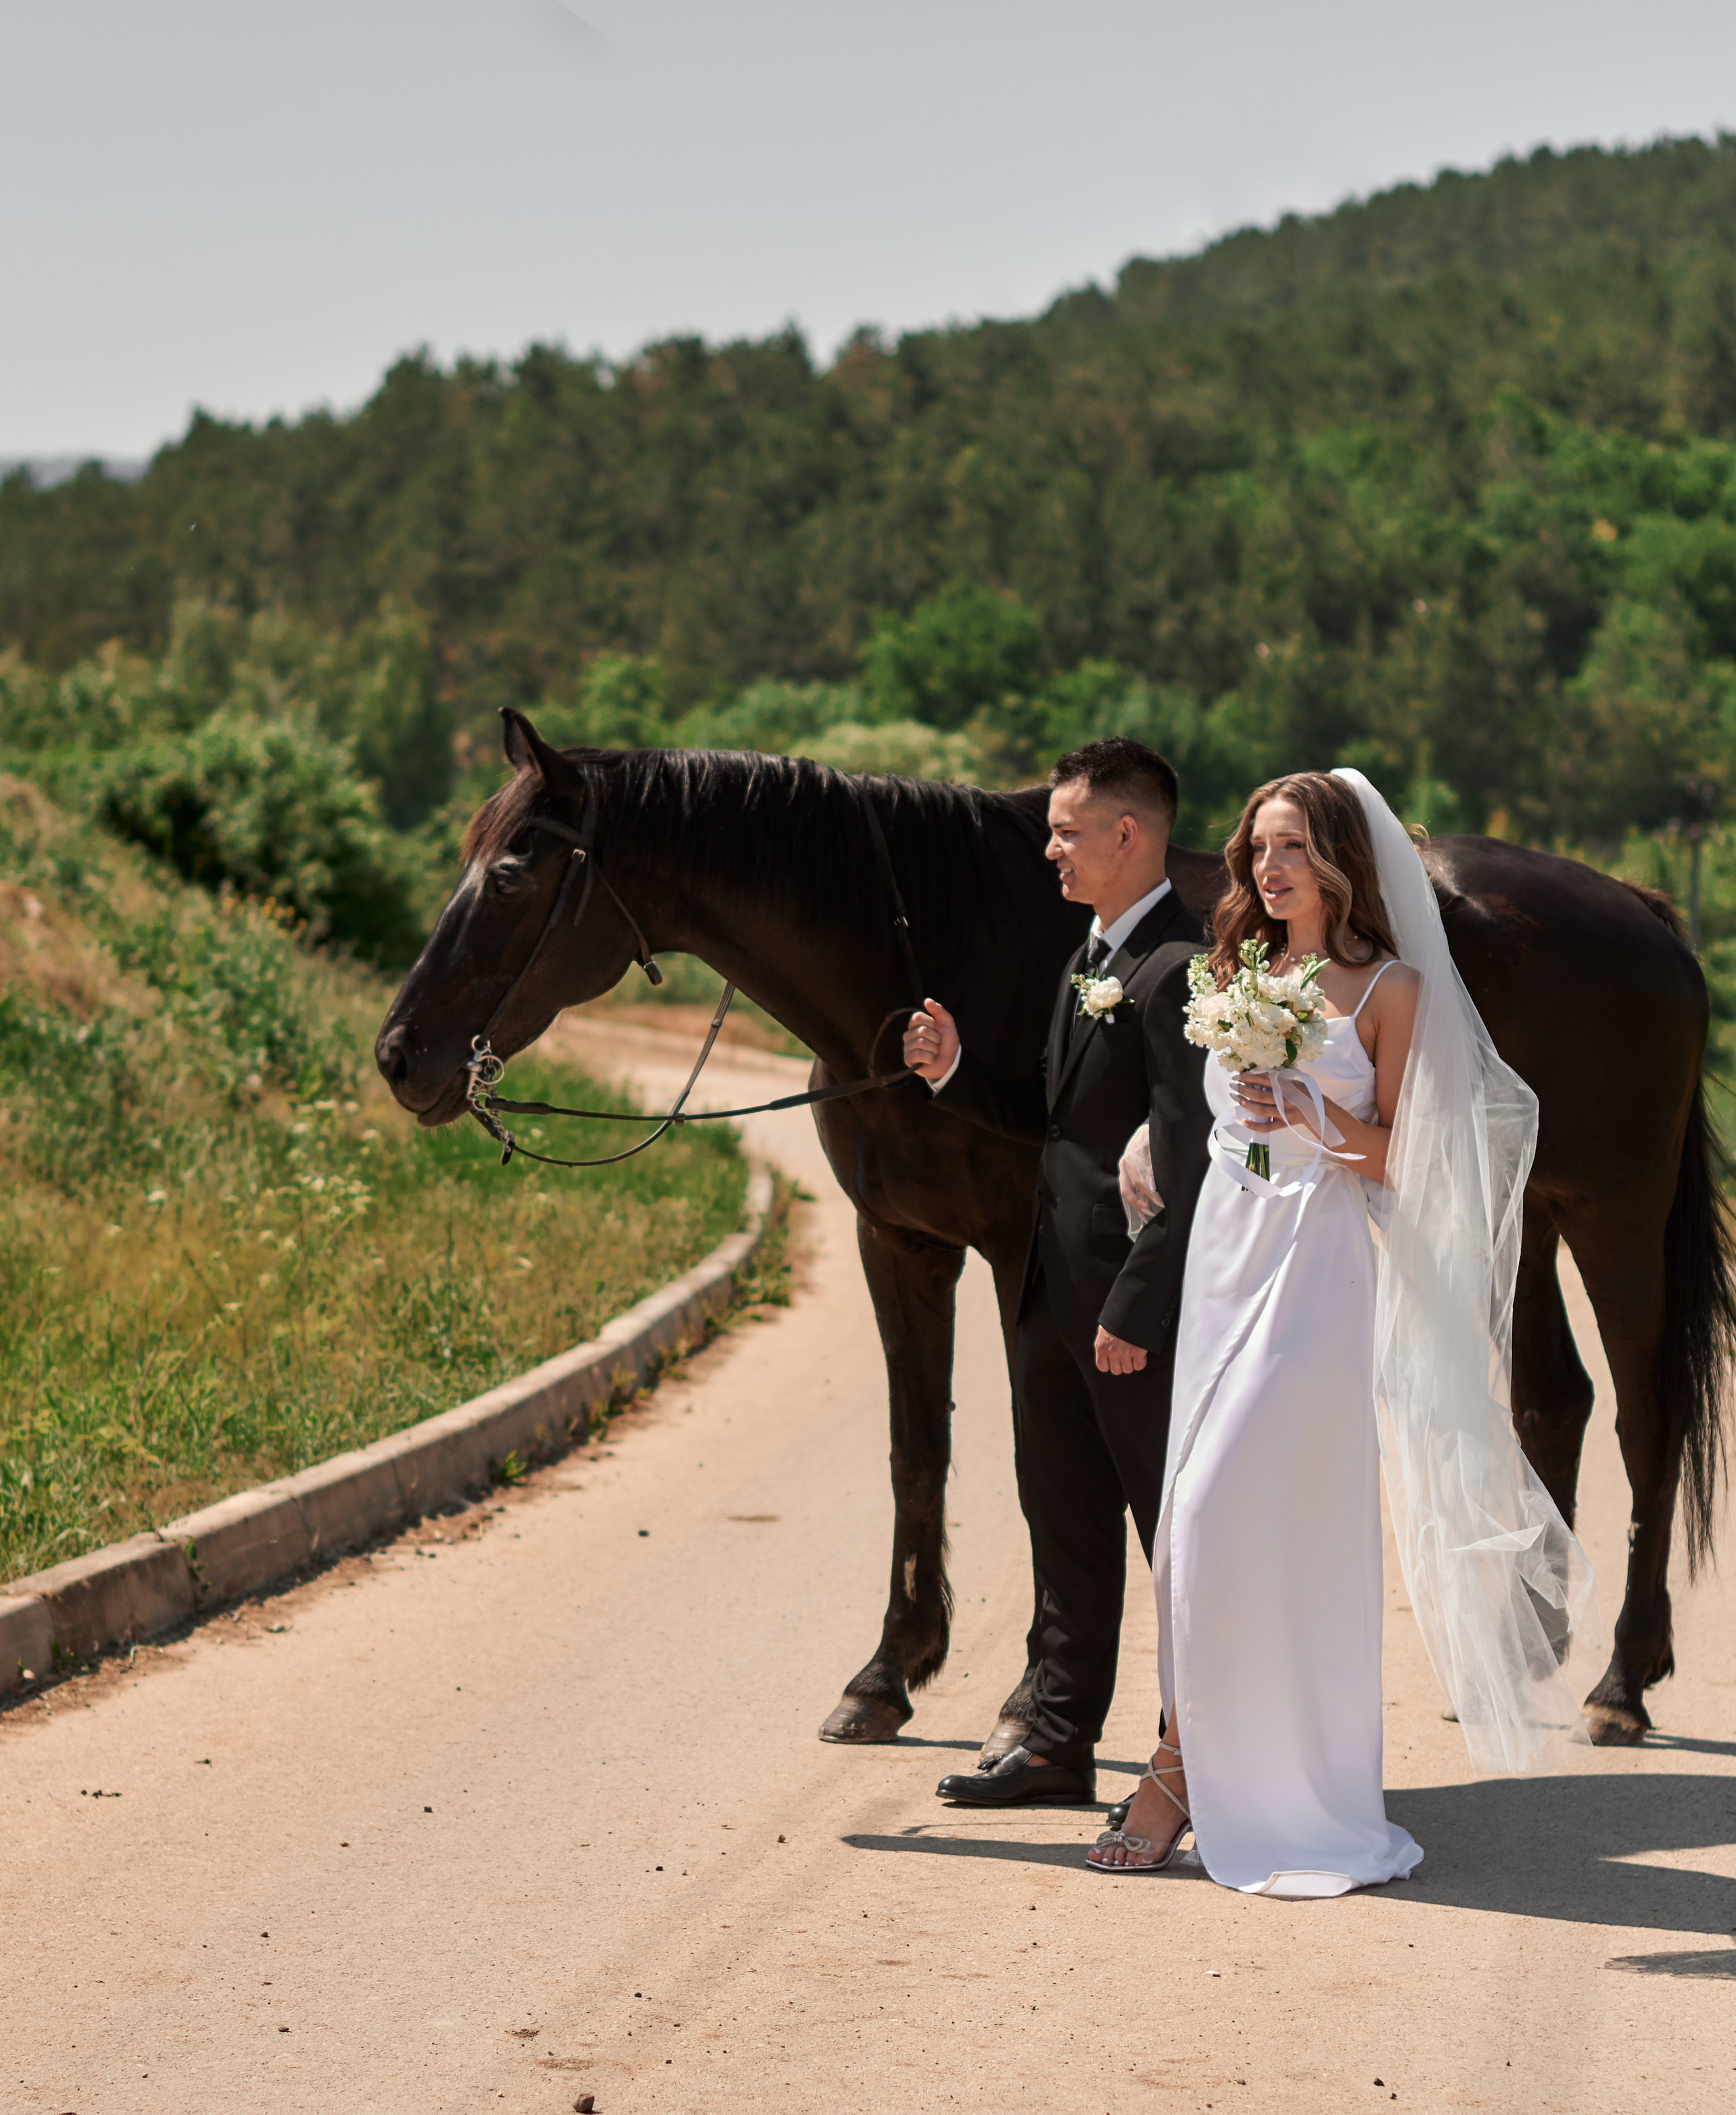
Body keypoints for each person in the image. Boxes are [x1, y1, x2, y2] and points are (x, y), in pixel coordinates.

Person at [1091, 769, 1598, 1893]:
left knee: (1245, 1512)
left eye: (1288, 850)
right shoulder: (1234, 974)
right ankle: (1206, 1756)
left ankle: (1207, 1775)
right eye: (1256, 851)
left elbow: (1411, 1157)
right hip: (1225, 1257)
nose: (1267, 871)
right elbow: (1214, 1122)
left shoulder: (1392, 990)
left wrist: (1321, 1114)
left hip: (1315, 1275)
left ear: (1334, 861)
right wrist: (1155, 1145)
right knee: (1190, 1527)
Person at [903, 737, 1212, 1809]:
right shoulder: (1090, 958)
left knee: (1171, 1533)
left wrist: (1135, 1306)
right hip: (1049, 1294)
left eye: (1068, 830)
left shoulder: (1181, 969)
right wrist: (955, 1076)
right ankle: (1057, 1742)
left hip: (1130, 1311)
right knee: (1064, 1519)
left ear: (1129, 835)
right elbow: (1054, 1119)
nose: (1051, 849)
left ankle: (1198, 1755)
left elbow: (1193, 1160)